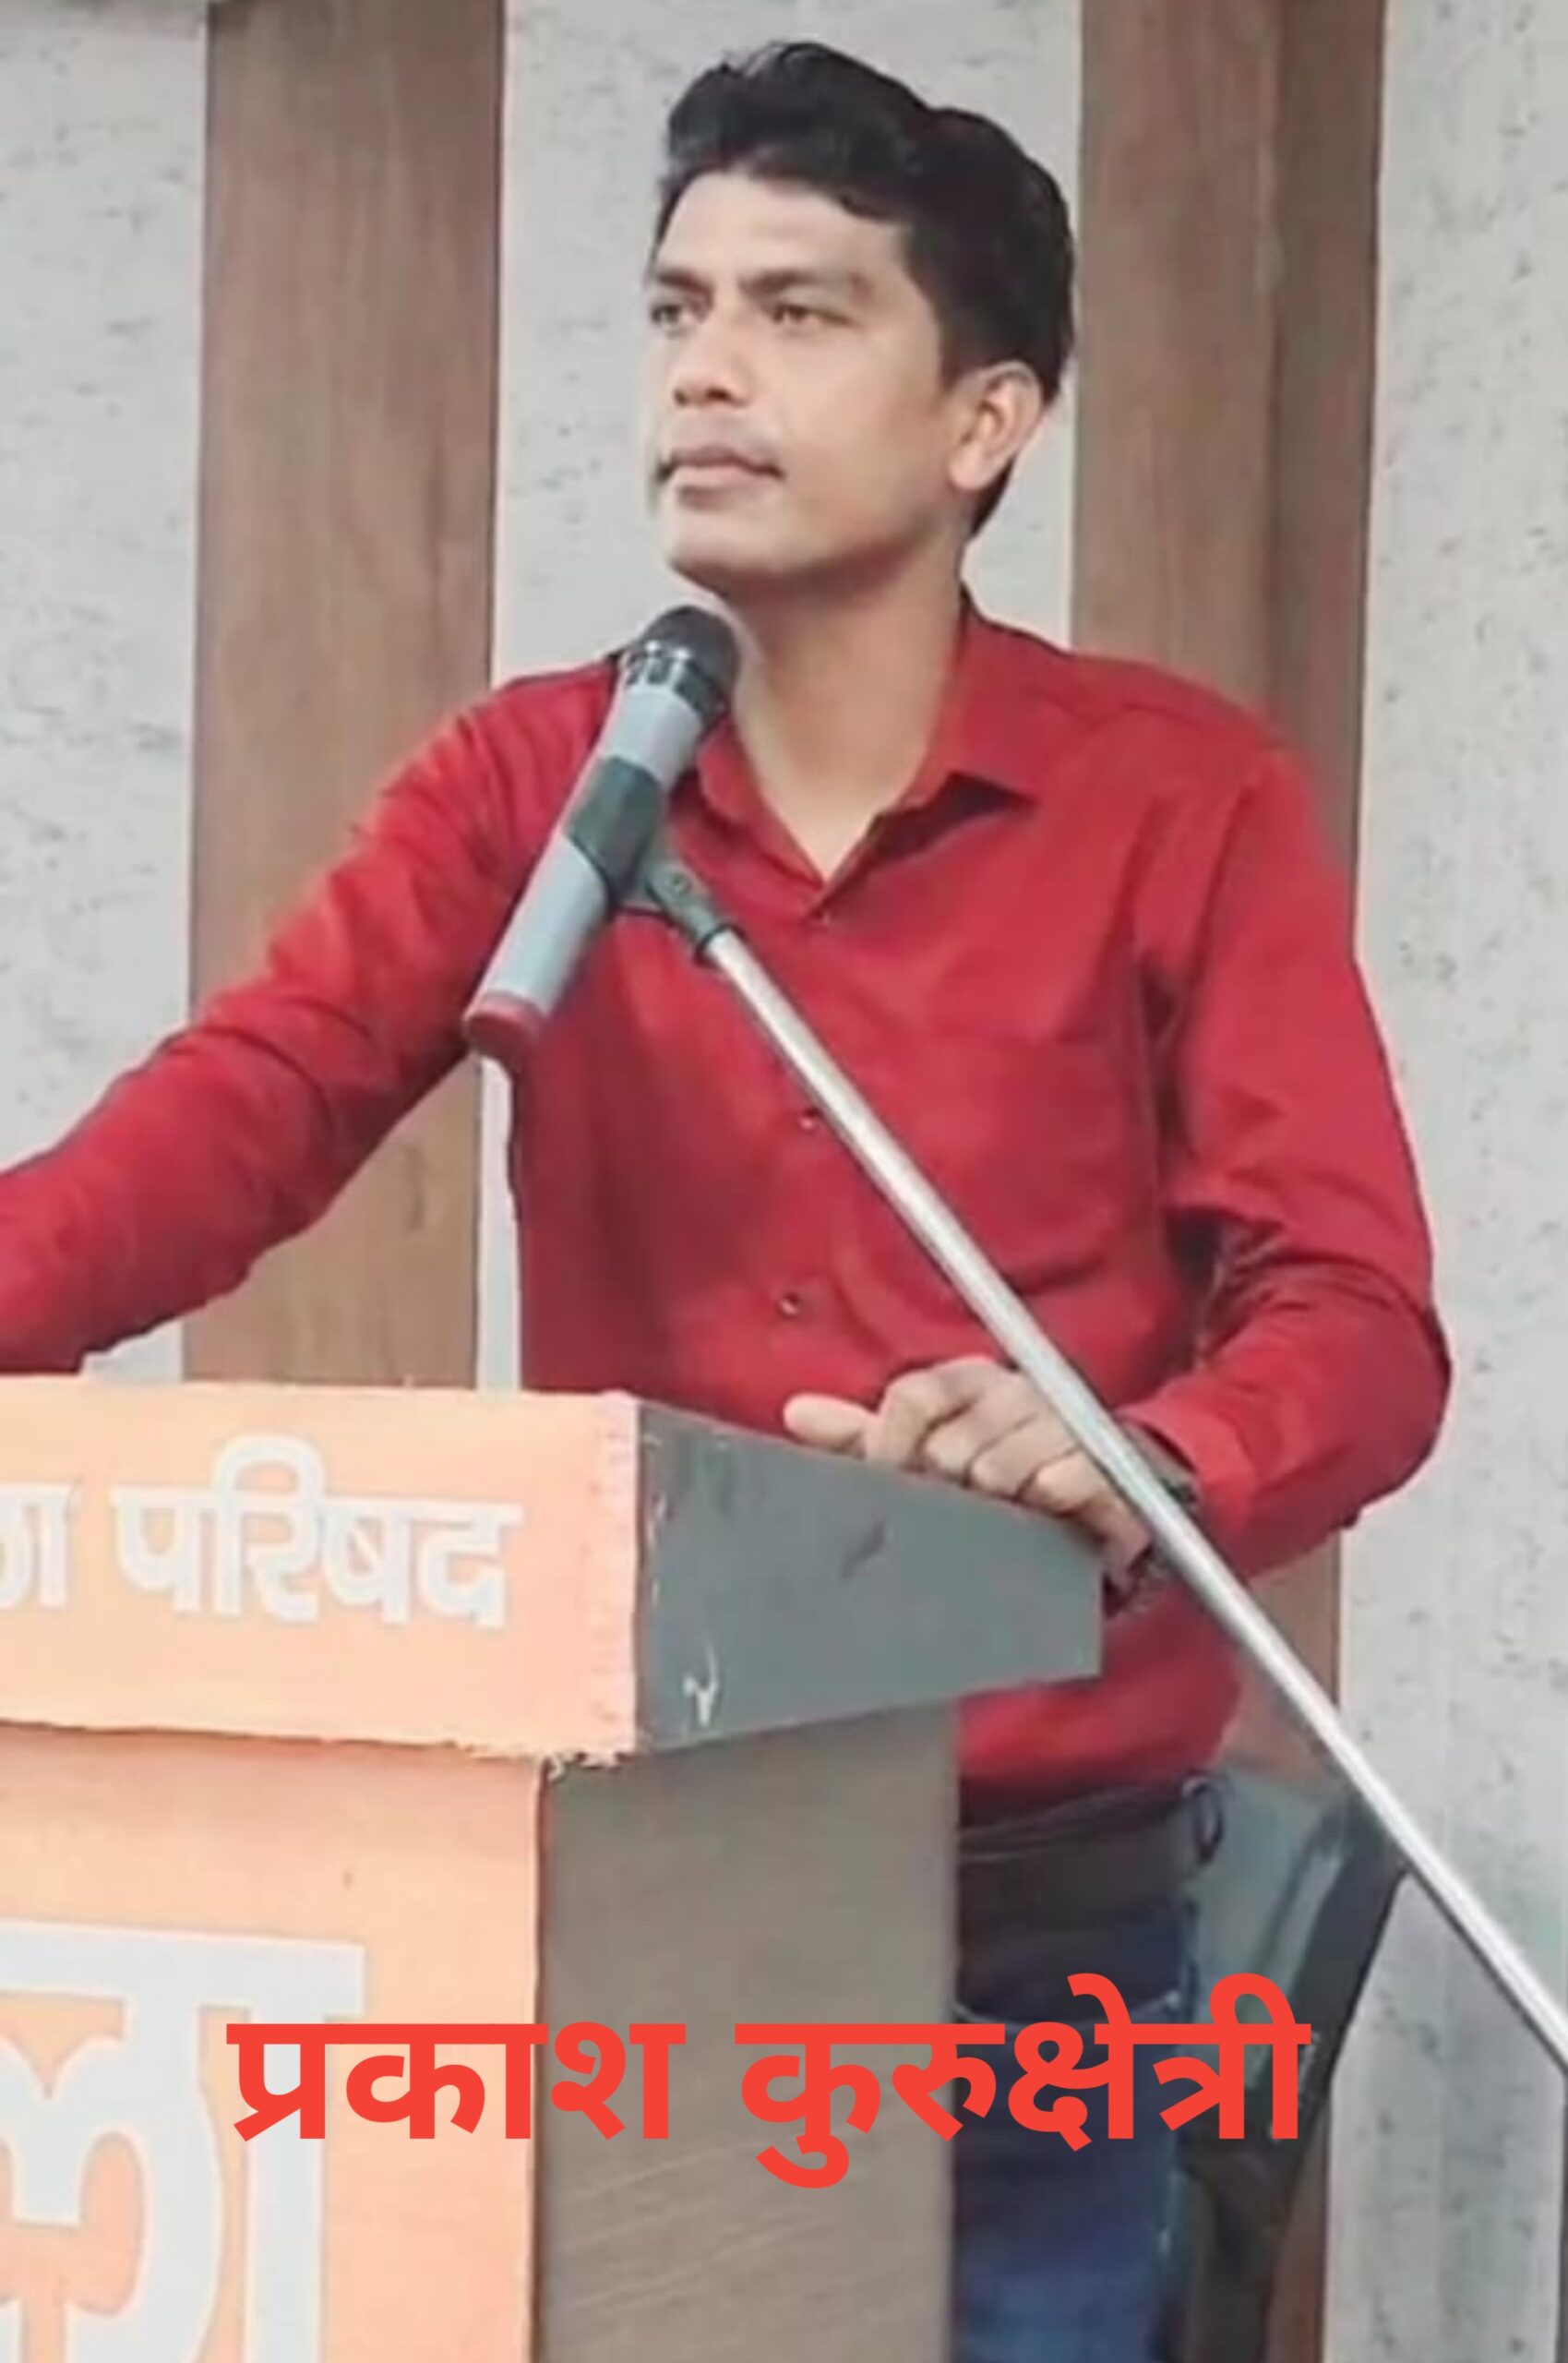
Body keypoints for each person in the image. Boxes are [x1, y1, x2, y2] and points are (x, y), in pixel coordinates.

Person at [0, 42, 1447, 2363]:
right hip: (639, 1869)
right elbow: (240, 1112)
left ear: (984, 420)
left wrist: (1147, 1454)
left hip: (1034, 1907)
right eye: (678, 309)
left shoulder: (1179, 801)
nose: (703, 368)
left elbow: (1358, 1316)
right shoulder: (541, 783)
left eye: (798, 311)